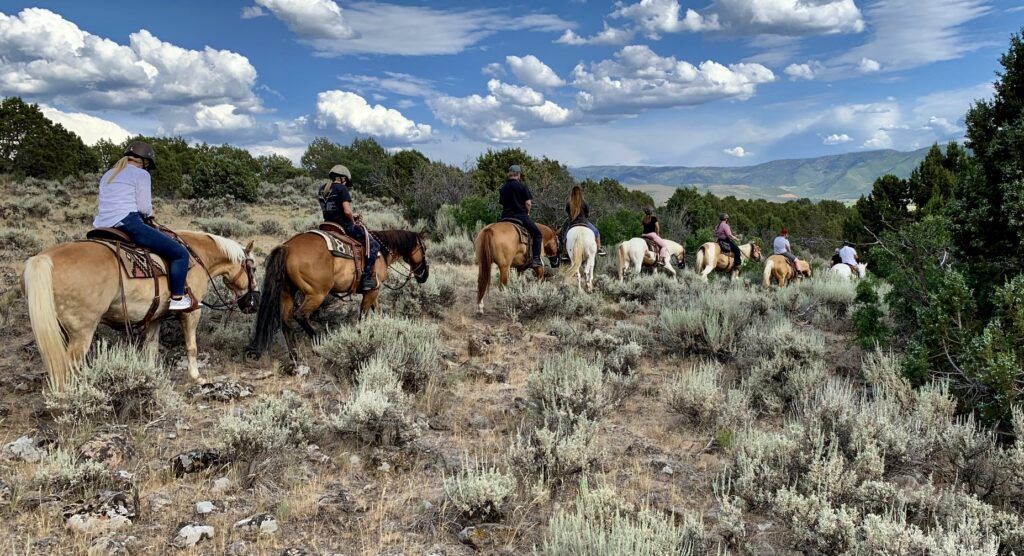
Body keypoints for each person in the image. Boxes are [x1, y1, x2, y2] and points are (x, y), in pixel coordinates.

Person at [93, 141, 193, 311]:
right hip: (128, 224)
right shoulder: (141, 174)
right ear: (145, 162)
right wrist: (150, 215)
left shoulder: (109, 174)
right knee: (179, 253)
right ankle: (177, 298)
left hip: (101, 226)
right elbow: (143, 208)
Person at [318, 164, 379, 293]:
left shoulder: (322, 189)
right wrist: (353, 220)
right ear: (343, 178)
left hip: (327, 224)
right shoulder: (342, 189)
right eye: (346, 180)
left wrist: (351, 214)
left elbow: (333, 208)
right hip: (343, 226)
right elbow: (346, 211)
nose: (346, 183)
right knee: (373, 245)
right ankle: (367, 278)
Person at [498, 164, 542, 268]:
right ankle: (536, 259)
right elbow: (528, 203)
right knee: (537, 234)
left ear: (509, 174)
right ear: (518, 174)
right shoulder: (522, 186)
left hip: (505, 217)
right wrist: (527, 212)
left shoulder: (503, 188)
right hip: (520, 216)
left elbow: (502, 203)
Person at [560, 185, 606, 261]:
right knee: (596, 232)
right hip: (584, 222)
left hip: (572, 223)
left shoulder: (569, 203)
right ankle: (599, 248)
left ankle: (565, 253)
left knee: (565, 237)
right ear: (581, 193)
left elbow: (568, 213)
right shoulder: (584, 202)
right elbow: (587, 214)